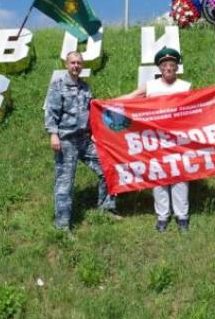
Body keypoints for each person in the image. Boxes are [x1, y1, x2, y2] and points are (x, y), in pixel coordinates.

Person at [118, 47, 192, 232]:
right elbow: (130, 98)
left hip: (178, 139)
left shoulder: (186, 86)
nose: (168, 67)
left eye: (172, 64)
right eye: (164, 65)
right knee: (158, 177)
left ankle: (182, 216)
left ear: (177, 67)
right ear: (159, 68)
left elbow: (196, 109)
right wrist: (104, 104)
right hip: (155, 139)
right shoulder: (151, 86)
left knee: (180, 176)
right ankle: (162, 216)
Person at [44, 50, 117, 230]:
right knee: (65, 184)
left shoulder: (85, 88)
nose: (76, 66)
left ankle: (105, 208)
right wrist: (53, 134)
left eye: (79, 63)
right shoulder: (57, 85)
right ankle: (62, 226)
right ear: (66, 65)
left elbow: (93, 112)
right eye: (72, 63)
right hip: (66, 141)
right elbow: (51, 112)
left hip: (84, 140)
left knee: (108, 168)